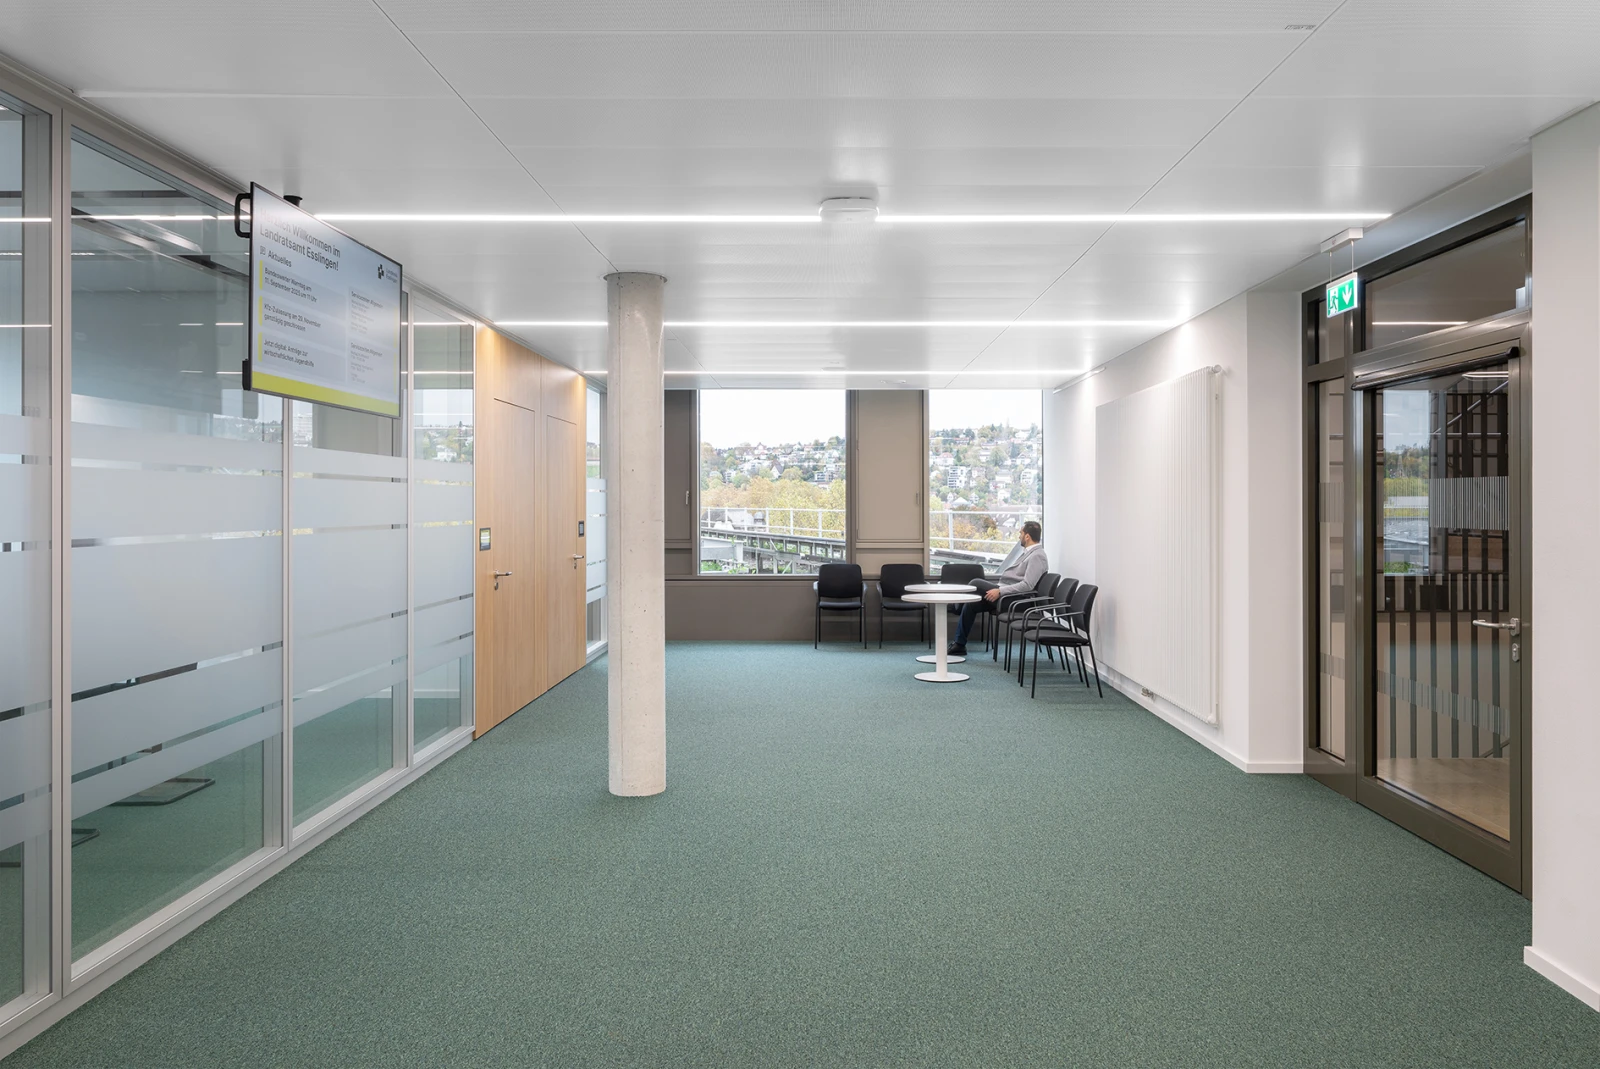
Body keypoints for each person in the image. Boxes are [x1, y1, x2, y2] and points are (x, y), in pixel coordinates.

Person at [948, 520, 1047, 656]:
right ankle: (959, 645)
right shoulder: (1029, 553)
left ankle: (955, 607)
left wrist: (1000, 591)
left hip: (1017, 600)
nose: (1019, 536)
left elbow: (1027, 585)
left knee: (976, 582)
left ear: (1027, 536)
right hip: (1009, 595)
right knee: (971, 605)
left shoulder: (1037, 555)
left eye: (1020, 533)